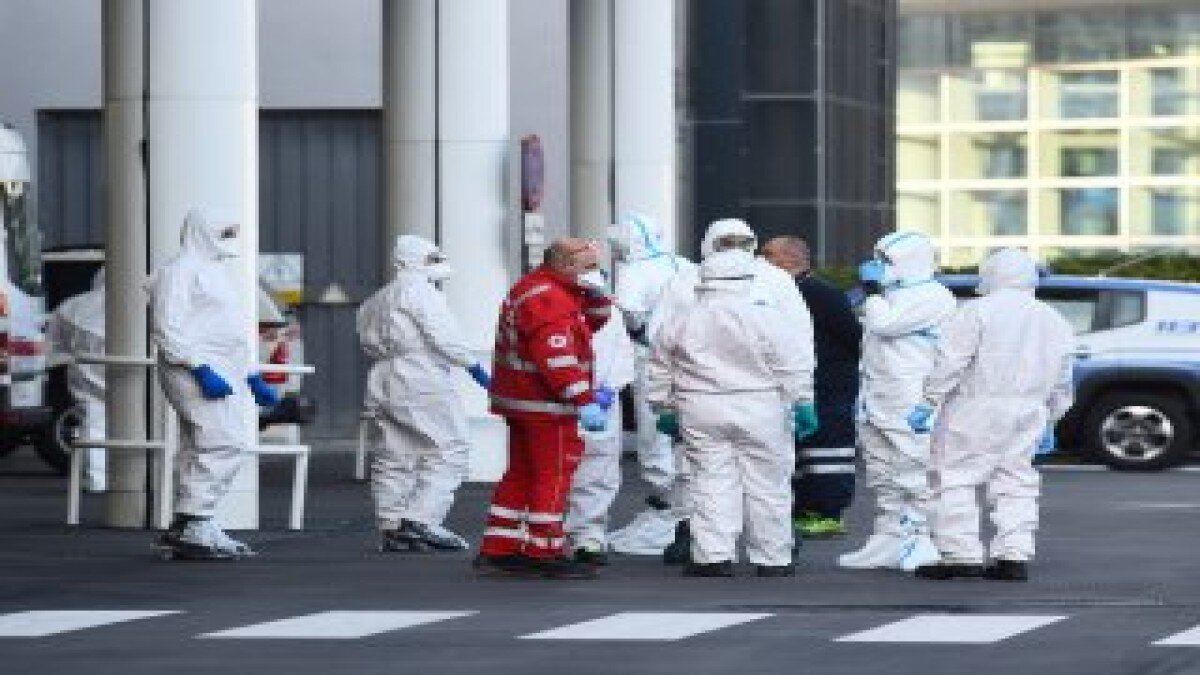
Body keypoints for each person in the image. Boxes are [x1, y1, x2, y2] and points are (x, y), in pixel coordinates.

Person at [653, 217, 816, 565]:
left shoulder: (685, 294)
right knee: (769, 484)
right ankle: (773, 557)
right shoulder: (770, 298)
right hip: (763, 403)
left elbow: (660, 358)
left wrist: (663, 406)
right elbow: (796, 353)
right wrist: (803, 400)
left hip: (700, 405)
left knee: (709, 482)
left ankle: (712, 555)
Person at [908, 248, 1073, 582]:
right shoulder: (1053, 318)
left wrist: (928, 401)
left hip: (976, 408)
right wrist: (1052, 418)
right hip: (1029, 410)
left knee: (954, 477)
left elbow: (952, 361)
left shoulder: (976, 311)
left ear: (991, 275)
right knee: (1016, 482)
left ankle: (960, 555)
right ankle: (1013, 556)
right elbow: (1063, 374)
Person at [474, 238, 613, 580]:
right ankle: (545, 549)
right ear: (565, 265)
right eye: (589, 267)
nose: (595, 273)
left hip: (523, 401)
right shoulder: (550, 299)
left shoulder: (540, 288)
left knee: (521, 474)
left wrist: (597, 295)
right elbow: (558, 359)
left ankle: (500, 546)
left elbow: (587, 326)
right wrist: (584, 401)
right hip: (546, 405)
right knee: (553, 475)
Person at [149, 209, 279, 561]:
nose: (228, 240)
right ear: (202, 231)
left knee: (202, 444)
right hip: (192, 367)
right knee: (224, 441)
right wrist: (199, 368)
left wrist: (251, 374)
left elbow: (229, 331)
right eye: (223, 232)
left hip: (220, 367)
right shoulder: (178, 272)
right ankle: (194, 521)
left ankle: (192, 522)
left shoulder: (214, 272)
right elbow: (167, 327)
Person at [356, 234, 488, 553]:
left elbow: (365, 340)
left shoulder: (376, 300)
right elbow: (444, 336)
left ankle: (391, 525)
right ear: (410, 261)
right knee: (450, 447)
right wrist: (473, 366)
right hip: (420, 374)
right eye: (432, 259)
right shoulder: (421, 292)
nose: (438, 265)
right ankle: (422, 519)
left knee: (395, 453)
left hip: (383, 375)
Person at [837, 231, 956, 572]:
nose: (878, 266)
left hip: (909, 398)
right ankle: (888, 538)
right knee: (882, 473)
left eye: (886, 260)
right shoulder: (892, 295)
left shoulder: (933, 296)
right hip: (878, 397)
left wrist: (872, 293)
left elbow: (886, 324)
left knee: (914, 469)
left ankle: (921, 538)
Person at [604, 214, 698, 556]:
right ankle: (684, 510)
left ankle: (666, 509)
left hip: (652, 359)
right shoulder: (683, 264)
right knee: (687, 435)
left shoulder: (634, 272)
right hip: (692, 361)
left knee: (654, 434)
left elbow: (628, 313)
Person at [762, 236, 862, 539]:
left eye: (768, 254)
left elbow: (853, 337)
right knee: (801, 453)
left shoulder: (821, 294)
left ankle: (827, 513)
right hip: (800, 385)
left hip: (829, 385)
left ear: (789, 259)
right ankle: (804, 508)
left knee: (827, 453)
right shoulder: (783, 292)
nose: (761, 260)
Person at [564, 295, 636, 565]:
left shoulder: (610, 312)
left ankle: (586, 536)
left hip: (592, 398)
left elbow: (623, 354)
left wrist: (607, 390)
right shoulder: (554, 305)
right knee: (581, 469)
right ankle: (574, 535)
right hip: (570, 398)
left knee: (597, 468)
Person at [47, 267, 107, 492]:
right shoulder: (144, 304)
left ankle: (97, 479)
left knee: (93, 420)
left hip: (87, 371)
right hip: (136, 372)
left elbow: (54, 346)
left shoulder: (72, 306)